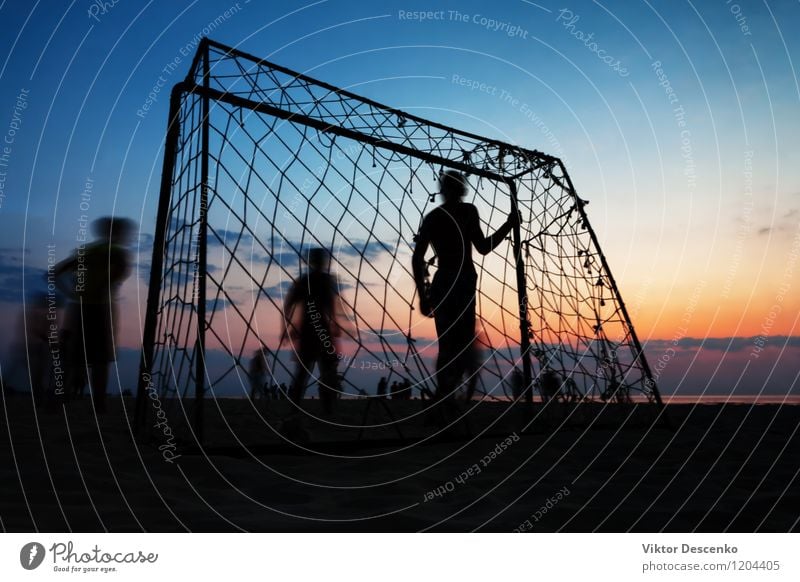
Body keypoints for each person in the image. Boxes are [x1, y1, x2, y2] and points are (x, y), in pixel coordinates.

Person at [412, 170, 518, 401]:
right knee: (461, 345)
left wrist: (422, 295)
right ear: (462, 189)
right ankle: (445, 396)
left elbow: (416, 257)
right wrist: (509, 225)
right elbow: (483, 247)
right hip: (461, 281)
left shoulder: (434, 217)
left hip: (444, 282)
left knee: (447, 345)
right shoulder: (467, 211)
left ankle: (443, 397)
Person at [54, 217, 136, 413]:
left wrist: (71, 293)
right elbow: (123, 268)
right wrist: (103, 285)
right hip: (99, 307)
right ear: (116, 232)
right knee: (100, 359)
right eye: (124, 232)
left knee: (75, 358)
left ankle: (61, 401)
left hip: (78, 307)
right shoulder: (115, 251)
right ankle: (99, 405)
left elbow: (55, 272)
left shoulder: (87, 250)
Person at [282, 247, 342, 415]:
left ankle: (298, 410)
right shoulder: (319, 280)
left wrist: (287, 328)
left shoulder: (306, 280)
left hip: (311, 330)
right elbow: (331, 304)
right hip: (317, 330)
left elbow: (288, 304)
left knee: (309, 374)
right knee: (322, 373)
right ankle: (326, 410)